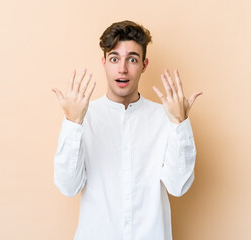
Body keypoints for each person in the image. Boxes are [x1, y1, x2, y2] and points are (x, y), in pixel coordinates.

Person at [52, 20, 202, 240]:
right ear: (104, 62)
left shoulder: (165, 117)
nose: (122, 68)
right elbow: (68, 187)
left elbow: (178, 186)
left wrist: (180, 124)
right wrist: (73, 125)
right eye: (114, 58)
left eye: (132, 59)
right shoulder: (84, 116)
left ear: (144, 65)